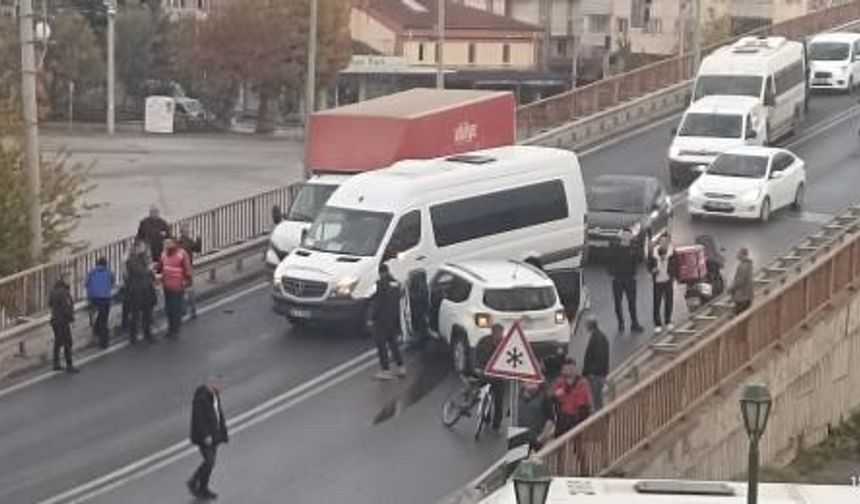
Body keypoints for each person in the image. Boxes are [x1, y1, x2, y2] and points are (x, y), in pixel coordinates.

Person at [188, 374, 229, 500]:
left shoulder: (214, 397)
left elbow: (218, 415)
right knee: (209, 461)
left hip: (214, 435)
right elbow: (198, 418)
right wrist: (205, 435)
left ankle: (203, 488)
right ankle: (193, 482)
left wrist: (223, 433)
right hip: (204, 437)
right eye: (220, 384)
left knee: (211, 463)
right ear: (213, 385)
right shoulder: (202, 398)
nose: (223, 387)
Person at [369, 263, 406, 380]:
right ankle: (401, 368)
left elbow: (378, 303)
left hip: (381, 320)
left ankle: (385, 370)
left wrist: (372, 318)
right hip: (393, 319)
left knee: (382, 345)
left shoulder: (381, 284)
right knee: (393, 344)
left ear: (381, 273)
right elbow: (400, 296)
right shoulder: (396, 283)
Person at [606, 229, 643, 333]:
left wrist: (637, 243)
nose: (626, 237)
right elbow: (608, 259)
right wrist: (611, 274)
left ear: (631, 237)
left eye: (629, 235)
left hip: (630, 279)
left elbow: (640, 259)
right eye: (624, 235)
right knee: (618, 303)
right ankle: (621, 324)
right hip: (618, 279)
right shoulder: (615, 247)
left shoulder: (634, 248)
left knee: (632, 303)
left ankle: (634, 324)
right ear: (621, 236)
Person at [472, 324, 506, 431]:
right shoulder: (484, 341)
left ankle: (497, 423)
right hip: (484, 371)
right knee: (481, 392)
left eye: (500, 333)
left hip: (498, 375)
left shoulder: (505, 344)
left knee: (499, 400)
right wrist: (477, 367)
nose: (498, 335)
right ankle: (485, 416)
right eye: (496, 333)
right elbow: (476, 353)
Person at [160, 237, 192, 338]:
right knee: (169, 309)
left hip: (178, 286)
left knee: (176, 309)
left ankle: (176, 330)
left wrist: (187, 283)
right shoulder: (163, 254)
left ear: (174, 243)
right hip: (167, 286)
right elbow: (161, 268)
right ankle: (170, 329)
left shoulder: (181, 254)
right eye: (165, 243)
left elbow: (187, 269)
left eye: (168, 243)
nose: (166, 245)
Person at [647, 235, 679, 333]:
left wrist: (673, 275)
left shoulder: (673, 253)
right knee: (657, 303)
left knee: (669, 301)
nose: (663, 244)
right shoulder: (653, 252)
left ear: (668, 243)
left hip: (668, 280)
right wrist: (652, 270)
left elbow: (677, 264)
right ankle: (657, 324)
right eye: (661, 242)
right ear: (659, 243)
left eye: (665, 242)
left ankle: (668, 321)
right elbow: (649, 264)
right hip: (658, 281)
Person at [126, 240, 156, 344]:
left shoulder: (144, 258)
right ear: (137, 248)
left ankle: (148, 334)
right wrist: (148, 268)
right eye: (142, 247)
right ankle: (133, 337)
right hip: (136, 290)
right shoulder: (131, 260)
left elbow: (149, 274)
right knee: (135, 314)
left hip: (146, 289)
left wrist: (152, 276)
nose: (144, 249)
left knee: (147, 313)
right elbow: (139, 272)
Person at [553, 358, 592, 436]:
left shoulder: (582, 383)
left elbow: (584, 407)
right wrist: (555, 396)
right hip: (562, 419)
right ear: (562, 370)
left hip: (577, 418)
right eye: (566, 369)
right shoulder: (560, 382)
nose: (568, 371)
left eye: (571, 369)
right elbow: (552, 398)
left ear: (575, 369)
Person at [49, 275, 78, 373]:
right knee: (68, 342)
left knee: (58, 342)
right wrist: (71, 319)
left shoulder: (53, 292)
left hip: (54, 321)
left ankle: (56, 363)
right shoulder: (64, 293)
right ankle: (69, 365)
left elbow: (50, 304)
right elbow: (67, 307)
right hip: (63, 321)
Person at [517, 380, 556, 452]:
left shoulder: (544, 397)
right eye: (527, 380)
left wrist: (541, 438)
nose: (530, 383)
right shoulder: (517, 395)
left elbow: (550, 419)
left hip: (535, 441)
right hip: (518, 439)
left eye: (533, 381)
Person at [86, 257, 115, 349]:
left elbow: (86, 284)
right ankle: (104, 343)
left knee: (100, 317)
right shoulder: (109, 272)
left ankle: (96, 330)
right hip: (105, 299)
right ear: (105, 264)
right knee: (104, 320)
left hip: (94, 299)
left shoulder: (91, 272)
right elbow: (112, 283)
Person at [582, 316, 609, 411]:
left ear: (590, 325)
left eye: (586, 324)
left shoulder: (597, 338)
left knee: (597, 400)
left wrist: (591, 372)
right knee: (597, 399)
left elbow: (599, 357)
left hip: (596, 376)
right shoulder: (599, 336)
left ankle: (601, 420)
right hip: (598, 374)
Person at [178, 224, 203, 319]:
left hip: (182, 270)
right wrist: (199, 239)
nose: (188, 231)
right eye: (187, 230)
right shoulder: (187, 241)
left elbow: (196, 249)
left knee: (182, 292)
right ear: (183, 231)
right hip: (187, 270)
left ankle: (185, 310)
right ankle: (192, 311)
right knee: (189, 291)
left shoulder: (179, 242)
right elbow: (198, 249)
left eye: (188, 229)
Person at [729, 248, 754, 314]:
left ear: (742, 254)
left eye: (738, 253)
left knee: (738, 314)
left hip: (742, 297)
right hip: (747, 296)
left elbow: (740, 281)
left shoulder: (743, 266)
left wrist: (731, 288)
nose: (736, 255)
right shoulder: (748, 264)